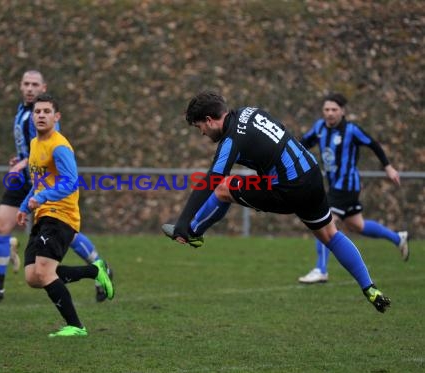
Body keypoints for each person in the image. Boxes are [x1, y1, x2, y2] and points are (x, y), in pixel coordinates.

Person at [163, 90, 391, 313]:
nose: (202, 133)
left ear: (210, 120)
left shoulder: (231, 140)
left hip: (287, 188)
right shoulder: (250, 112)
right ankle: (370, 288)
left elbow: (211, 180)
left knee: (224, 189)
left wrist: (182, 221)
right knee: (330, 235)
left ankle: (192, 231)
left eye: (199, 127)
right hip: (311, 174)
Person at [0, 70, 112, 303]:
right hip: (26, 178)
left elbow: (49, 148)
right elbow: (31, 148)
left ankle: (99, 267)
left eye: (35, 84)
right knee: (1, 226)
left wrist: (27, 163)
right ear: (20, 86)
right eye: (26, 84)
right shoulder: (22, 112)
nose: (29, 88)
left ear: (43, 89)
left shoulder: (45, 115)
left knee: (67, 233)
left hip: (42, 179)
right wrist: (20, 159)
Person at [16, 93, 114, 337]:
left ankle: (76, 326)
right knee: (32, 276)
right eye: (37, 112)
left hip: (61, 215)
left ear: (56, 117)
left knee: (44, 272)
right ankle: (95, 271)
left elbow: (71, 183)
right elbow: (38, 183)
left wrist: (43, 197)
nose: (41, 115)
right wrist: (24, 205)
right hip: (43, 214)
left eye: (46, 112)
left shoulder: (59, 146)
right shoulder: (35, 144)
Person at [298, 93, 409, 284]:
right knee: (358, 225)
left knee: (324, 222)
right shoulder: (319, 128)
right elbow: (302, 144)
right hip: (335, 186)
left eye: (334, 109)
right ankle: (397, 238)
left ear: (342, 111)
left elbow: (373, 144)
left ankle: (321, 269)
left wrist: (388, 167)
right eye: (327, 109)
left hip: (347, 186)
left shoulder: (351, 130)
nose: (330, 113)